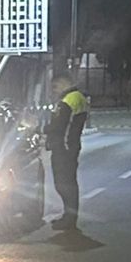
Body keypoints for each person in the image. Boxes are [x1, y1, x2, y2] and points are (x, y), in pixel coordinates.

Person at [45, 70, 89, 230]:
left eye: (55, 87)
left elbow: (58, 125)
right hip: (70, 147)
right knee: (68, 183)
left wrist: (39, 128)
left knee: (63, 184)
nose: (54, 91)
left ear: (64, 83)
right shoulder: (78, 98)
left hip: (64, 148)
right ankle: (69, 217)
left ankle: (69, 219)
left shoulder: (69, 100)